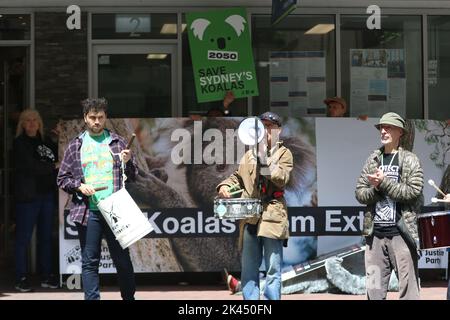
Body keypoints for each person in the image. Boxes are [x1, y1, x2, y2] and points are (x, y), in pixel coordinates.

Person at [57, 98, 138, 300]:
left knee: (122, 259)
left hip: (115, 210)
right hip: (88, 210)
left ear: (105, 118)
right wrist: (79, 185)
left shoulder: (118, 142)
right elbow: (62, 178)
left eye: (100, 117)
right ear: (85, 118)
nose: (96, 121)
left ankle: (129, 298)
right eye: (92, 117)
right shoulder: (75, 145)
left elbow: (134, 175)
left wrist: (128, 162)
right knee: (89, 261)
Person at [217, 111, 293, 300]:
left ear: (278, 130)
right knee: (249, 267)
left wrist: (263, 160)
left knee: (273, 268)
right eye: (262, 126)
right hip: (250, 216)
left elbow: (281, 178)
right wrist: (224, 186)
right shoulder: (249, 155)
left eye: (269, 127)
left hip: (272, 216)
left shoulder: (284, 153)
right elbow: (237, 177)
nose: (265, 131)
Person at [355, 112, 423, 300]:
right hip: (374, 237)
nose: (383, 131)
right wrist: (376, 190)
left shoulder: (410, 159)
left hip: (401, 236)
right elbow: (360, 193)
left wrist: (383, 183)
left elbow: (413, 192)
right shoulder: (373, 159)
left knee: (409, 292)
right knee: (374, 291)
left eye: (389, 127)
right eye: (381, 127)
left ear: (400, 132)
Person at [13, 109, 59, 292]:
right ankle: (20, 277)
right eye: (27, 120)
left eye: (35, 120)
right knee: (23, 239)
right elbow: (31, 167)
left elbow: (58, 156)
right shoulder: (19, 144)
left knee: (46, 237)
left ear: (40, 123)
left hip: (47, 195)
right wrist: (53, 166)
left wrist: (57, 139)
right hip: (28, 198)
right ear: (22, 124)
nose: (32, 123)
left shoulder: (45, 141)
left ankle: (46, 276)